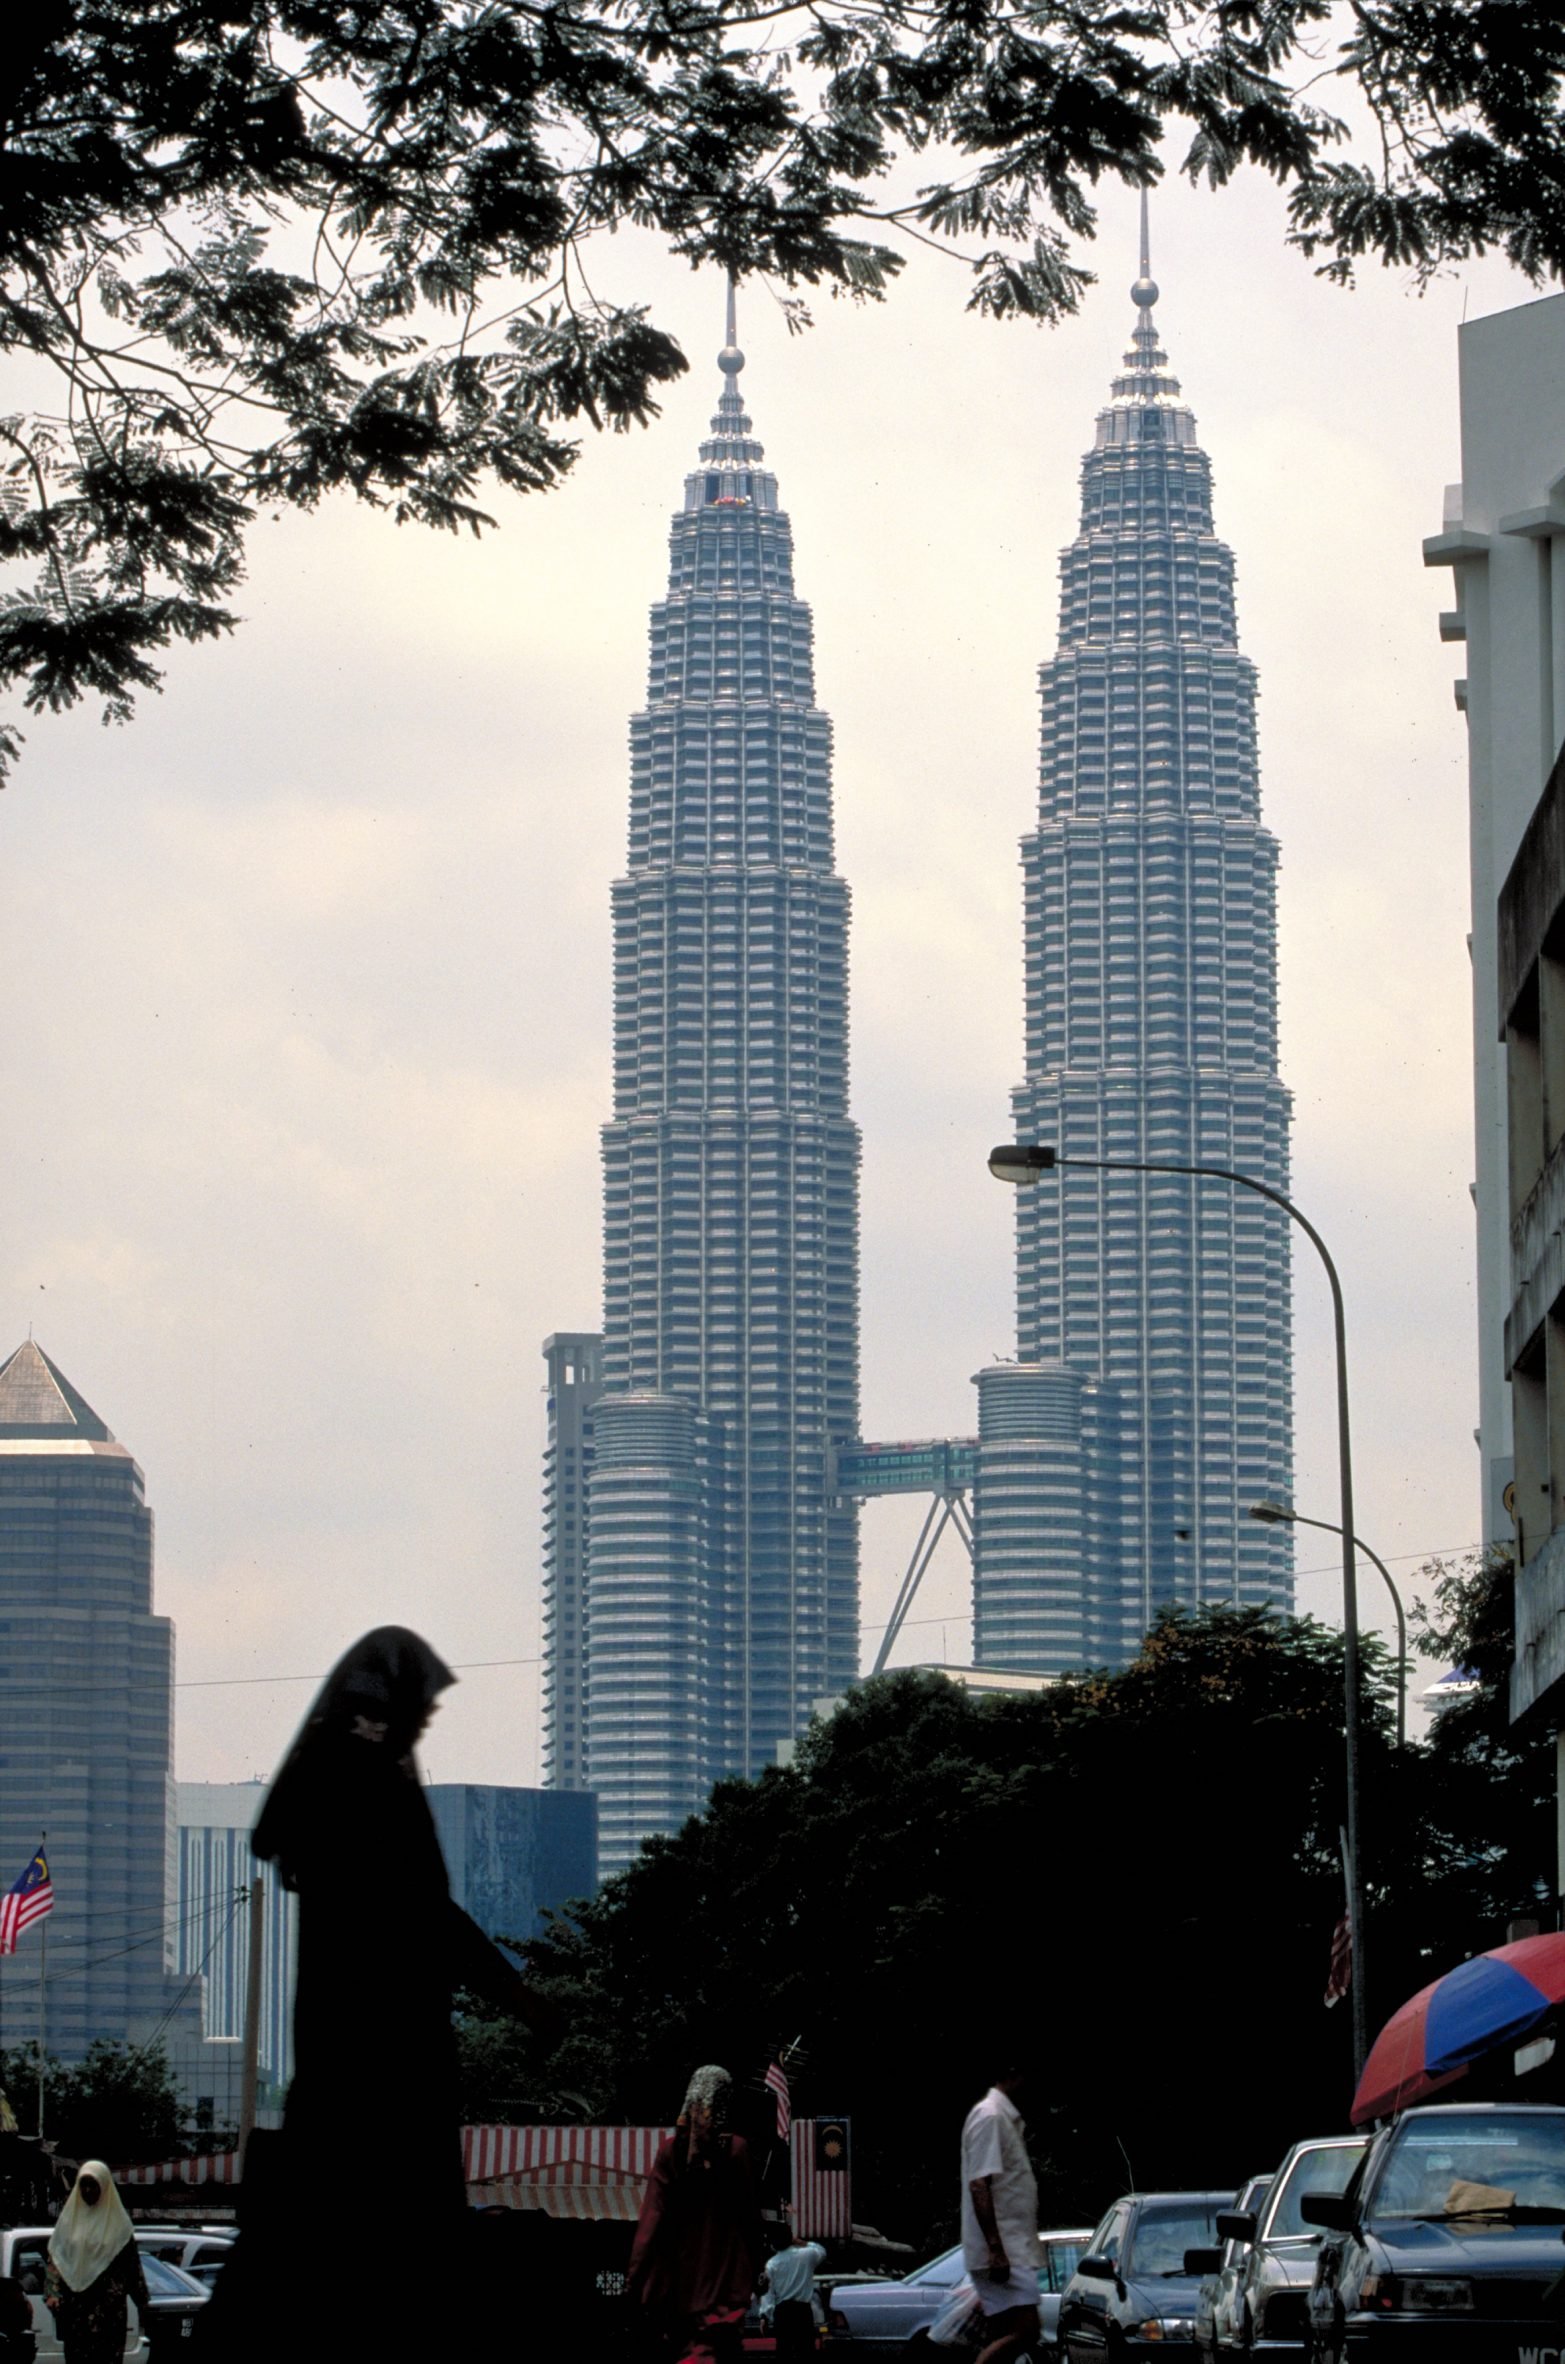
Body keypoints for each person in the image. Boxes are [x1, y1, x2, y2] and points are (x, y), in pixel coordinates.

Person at [193, 1627, 554, 2361]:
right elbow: (429, 1915)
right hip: (382, 2069)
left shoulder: (352, 1784)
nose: (424, 1724)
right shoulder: (366, 1791)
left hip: (354, 2067)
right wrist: (515, 1995)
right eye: (418, 1709)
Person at [627, 2065, 765, 2363]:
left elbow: (650, 2224)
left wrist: (635, 2280)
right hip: (726, 2294)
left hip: (679, 2293)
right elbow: (750, 2222)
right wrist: (757, 2269)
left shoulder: (670, 2154)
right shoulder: (737, 2151)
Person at [960, 2065, 1041, 2364]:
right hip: (1003, 2249)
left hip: (1008, 2246)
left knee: (1003, 2333)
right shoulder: (991, 2116)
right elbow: (979, 2183)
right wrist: (995, 2248)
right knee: (1027, 2329)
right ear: (1015, 2075)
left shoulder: (1001, 2118)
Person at [44, 2162, 149, 2364]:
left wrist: (144, 2305)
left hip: (108, 2313)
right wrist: (52, 2294)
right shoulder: (69, 2221)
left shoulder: (120, 2227)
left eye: (93, 2185)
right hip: (76, 2312)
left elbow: (133, 2269)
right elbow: (55, 2259)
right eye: (83, 2185)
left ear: (104, 2186)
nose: (87, 2190)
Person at [762, 2222, 827, 2359]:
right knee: (805, 2351)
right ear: (790, 2237)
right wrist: (802, 2242)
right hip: (802, 2310)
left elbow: (768, 2292)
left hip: (783, 2312)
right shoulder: (807, 2255)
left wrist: (765, 2315)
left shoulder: (772, 2263)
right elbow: (821, 2251)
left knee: (784, 2352)